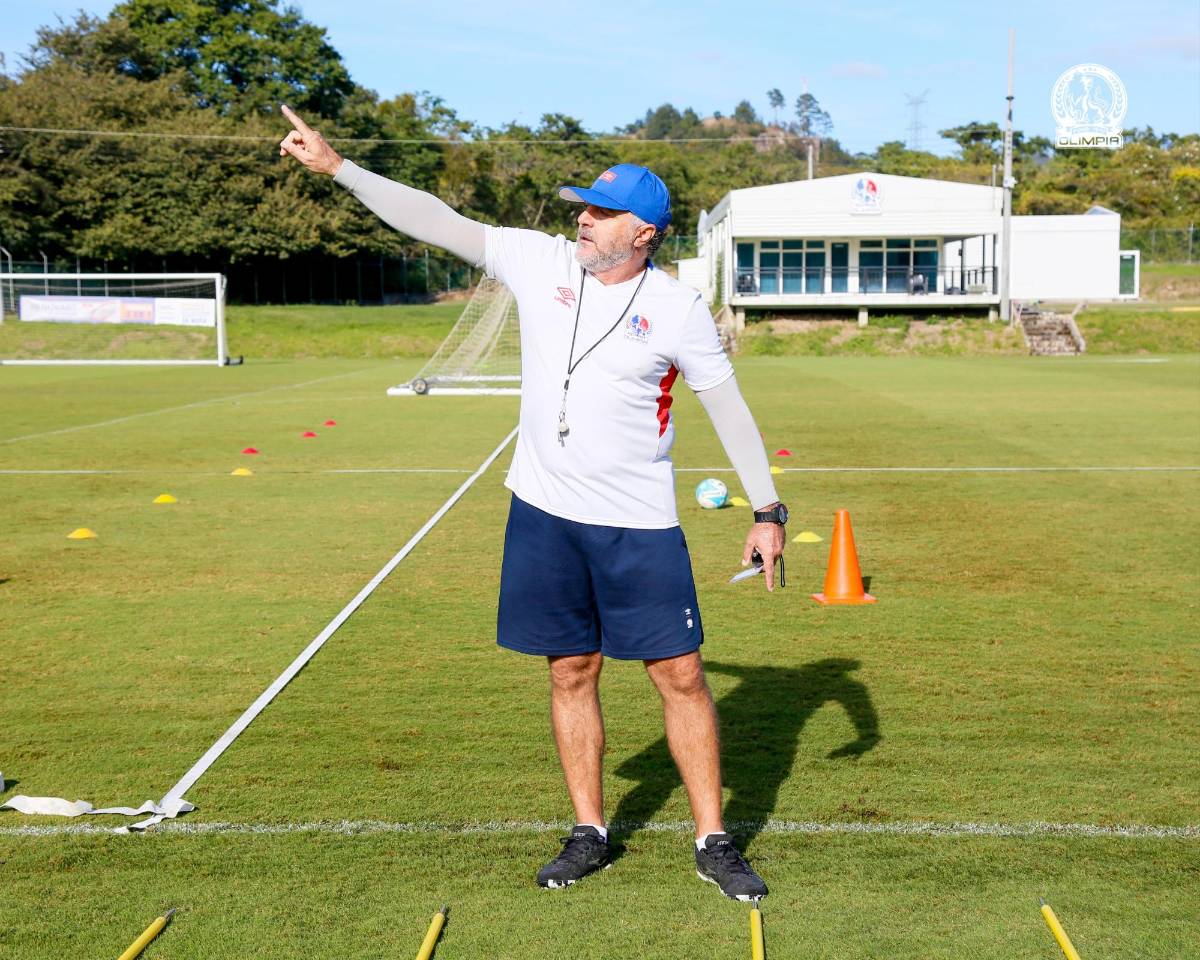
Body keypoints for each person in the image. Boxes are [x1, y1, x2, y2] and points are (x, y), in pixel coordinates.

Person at [279, 105, 787, 901]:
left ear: (644, 233)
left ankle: (713, 840)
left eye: (602, 212)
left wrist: (768, 510)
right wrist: (339, 167)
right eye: (582, 207)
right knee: (569, 671)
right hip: (544, 514)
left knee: (681, 676)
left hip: (639, 523)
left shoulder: (680, 310)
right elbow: (437, 219)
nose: (583, 220)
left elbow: (730, 409)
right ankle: (589, 832)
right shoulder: (539, 261)